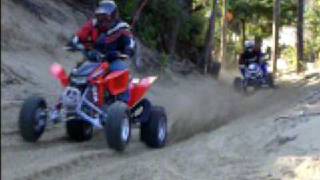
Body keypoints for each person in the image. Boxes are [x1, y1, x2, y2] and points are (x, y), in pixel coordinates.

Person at [69, 0, 135, 103]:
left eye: (106, 17)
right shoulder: (93, 24)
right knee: (77, 71)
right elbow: (81, 35)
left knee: (120, 71)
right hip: (94, 57)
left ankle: (123, 104)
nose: (103, 20)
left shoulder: (122, 28)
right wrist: (74, 42)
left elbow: (130, 42)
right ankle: (71, 97)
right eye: (100, 17)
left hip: (113, 58)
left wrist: (127, 52)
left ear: (113, 16)